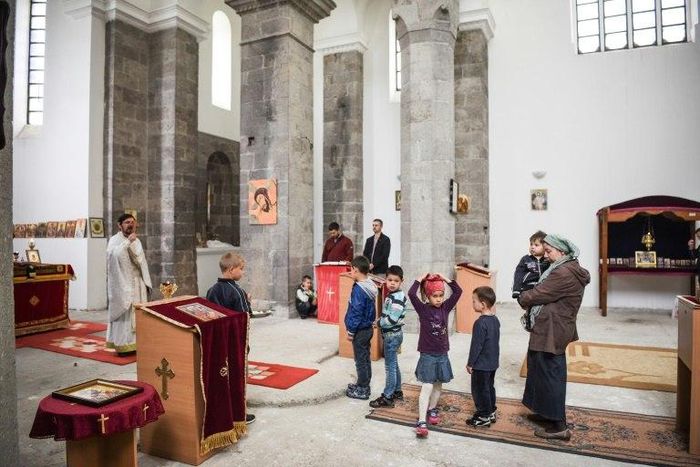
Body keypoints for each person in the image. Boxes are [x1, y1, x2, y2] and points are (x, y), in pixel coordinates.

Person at [518, 234, 590, 441]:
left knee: (551, 374)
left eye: (549, 251)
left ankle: (558, 425)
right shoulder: (566, 267)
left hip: (553, 328)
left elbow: (539, 293)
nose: (546, 255)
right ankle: (545, 413)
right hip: (551, 326)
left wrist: (522, 297)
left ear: (562, 252)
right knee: (539, 367)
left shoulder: (564, 272)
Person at [408, 272, 462, 438]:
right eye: (435, 296)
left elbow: (458, 292)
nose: (438, 299)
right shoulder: (423, 309)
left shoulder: (445, 307)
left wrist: (445, 278)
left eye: (441, 295)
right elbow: (411, 293)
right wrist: (420, 278)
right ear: (427, 296)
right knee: (427, 385)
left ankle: (432, 409)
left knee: (438, 385)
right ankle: (422, 421)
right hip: (428, 355)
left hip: (442, 354)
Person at [206, 252, 256, 425]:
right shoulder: (237, 291)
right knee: (238, 377)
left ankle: (222, 410)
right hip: (236, 344)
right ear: (230, 269)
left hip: (219, 343)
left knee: (222, 377)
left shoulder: (211, 290)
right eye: (241, 269)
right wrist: (248, 301)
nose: (242, 273)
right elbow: (245, 317)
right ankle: (239, 414)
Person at [106, 213, 152, 356]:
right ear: (119, 225)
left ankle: (138, 344)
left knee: (138, 313)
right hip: (123, 284)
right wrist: (127, 243)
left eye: (132, 222)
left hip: (137, 283)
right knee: (125, 315)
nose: (130, 225)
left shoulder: (137, 241)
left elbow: (140, 261)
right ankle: (123, 346)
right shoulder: (114, 240)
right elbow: (114, 257)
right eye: (127, 222)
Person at [369, 265, 407, 408]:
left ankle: (388, 396)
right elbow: (389, 316)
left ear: (401, 281)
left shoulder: (397, 298)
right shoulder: (393, 295)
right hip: (392, 335)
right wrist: (379, 321)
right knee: (394, 364)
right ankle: (397, 391)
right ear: (385, 280)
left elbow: (391, 320)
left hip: (392, 335)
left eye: (395, 281)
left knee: (389, 367)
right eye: (389, 280)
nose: (392, 283)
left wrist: (379, 323)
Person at [344, 256, 378, 400]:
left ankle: (363, 389)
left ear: (356, 270)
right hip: (367, 328)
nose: (350, 272)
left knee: (360, 360)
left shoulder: (359, 290)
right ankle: (363, 383)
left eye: (351, 270)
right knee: (365, 358)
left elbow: (356, 312)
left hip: (359, 330)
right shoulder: (369, 284)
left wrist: (351, 331)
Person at [466, 286, 500, 427]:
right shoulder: (495, 320)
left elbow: (476, 346)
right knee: (489, 387)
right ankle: (491, 411)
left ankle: (483, 415)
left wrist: (470, 363)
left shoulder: (480, 323)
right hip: (492, 363)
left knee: (479, 390)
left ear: (483, 304)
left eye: (474, 301)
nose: (472, 304)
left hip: (481, 365)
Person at [512, 230, 549, 300]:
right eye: (531, 244)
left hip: (542, 289)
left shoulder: (548, 260)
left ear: (545, 247)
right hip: (527, 288)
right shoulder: (526, 259)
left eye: (536, 245)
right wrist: (516, 290)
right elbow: (518, 274)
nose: (532, 247)